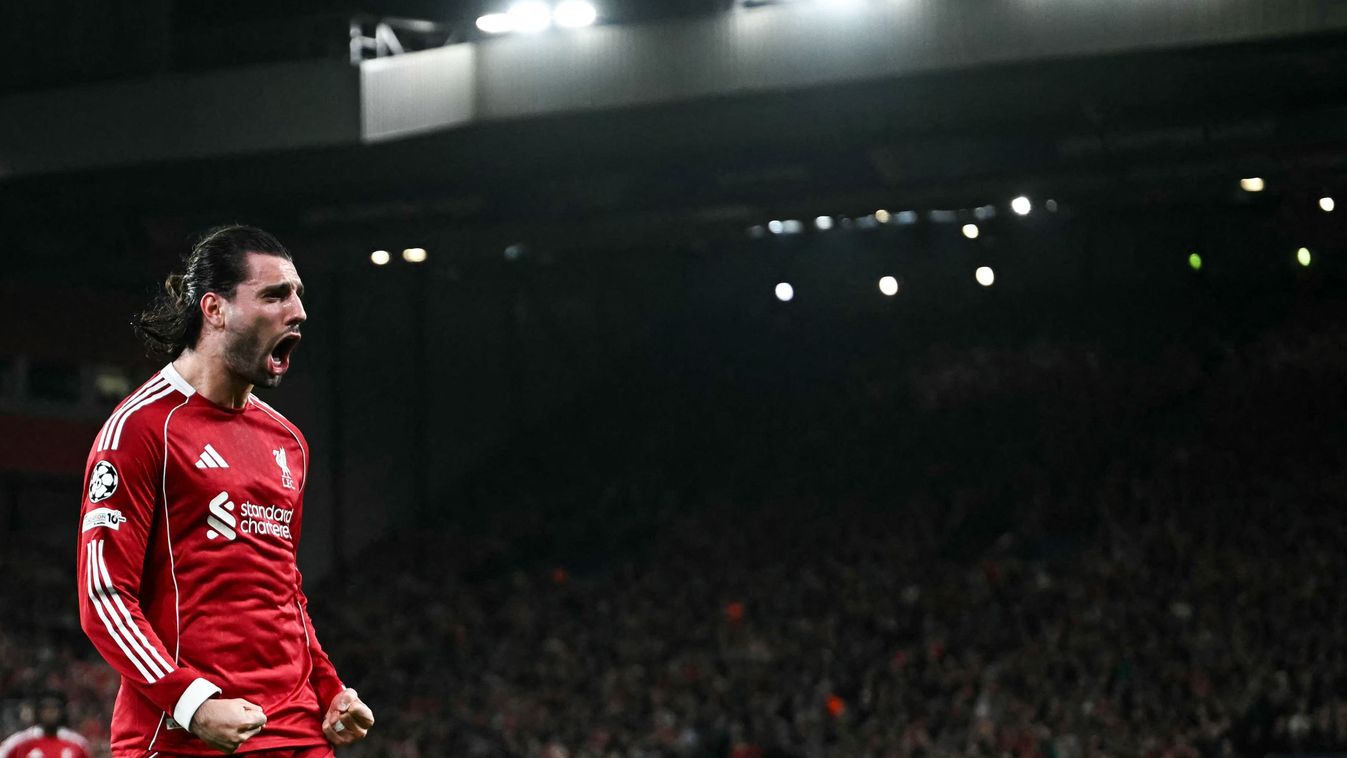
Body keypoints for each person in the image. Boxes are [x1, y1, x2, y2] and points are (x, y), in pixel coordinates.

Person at [76, 225, 375, 757]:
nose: (299, 312)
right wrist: (191, 703)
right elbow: (104, 596)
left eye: (298, 295)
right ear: (214, 309)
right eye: (275, 295)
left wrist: (330, 689)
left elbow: (284, 590)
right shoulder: (142, 428)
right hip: (183, 736)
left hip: (296, 729)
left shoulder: (287, 441)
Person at [0, 691, 92, 758]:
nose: (50, 713)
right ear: (38, 713)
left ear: (61, 713)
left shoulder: (77, 743)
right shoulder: (19, 742)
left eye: (54, 709)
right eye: (46, 710)